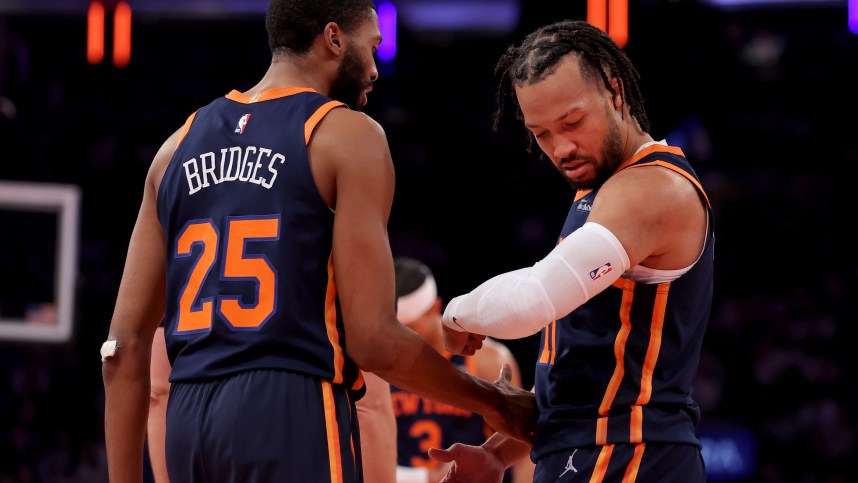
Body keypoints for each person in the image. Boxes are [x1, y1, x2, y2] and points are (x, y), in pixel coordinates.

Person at [100, 1, 537, 482]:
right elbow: (374, 342)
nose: (374, 69)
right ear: (334, 39)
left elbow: (121, 348)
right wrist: (494, 402)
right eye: (372, 47)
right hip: (289, 407)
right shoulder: (347, 134)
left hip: (188, 418)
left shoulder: (174, 148)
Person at [428, 19, 715, 483]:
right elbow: (592, 365)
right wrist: (501, 453)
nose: (561, 148)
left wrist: (455, 314)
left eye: (573, 122)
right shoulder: (601, 188)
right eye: (541, 134)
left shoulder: (652, 188)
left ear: (615, 92)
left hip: (634, 457)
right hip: (592, 454)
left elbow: (530, 302)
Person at [390, 257, 536, 483]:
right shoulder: (381, 362)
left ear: (435, 308)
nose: (401, 338)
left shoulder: (488, 360)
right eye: (395, 330)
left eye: (410, 327)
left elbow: (523, 439)